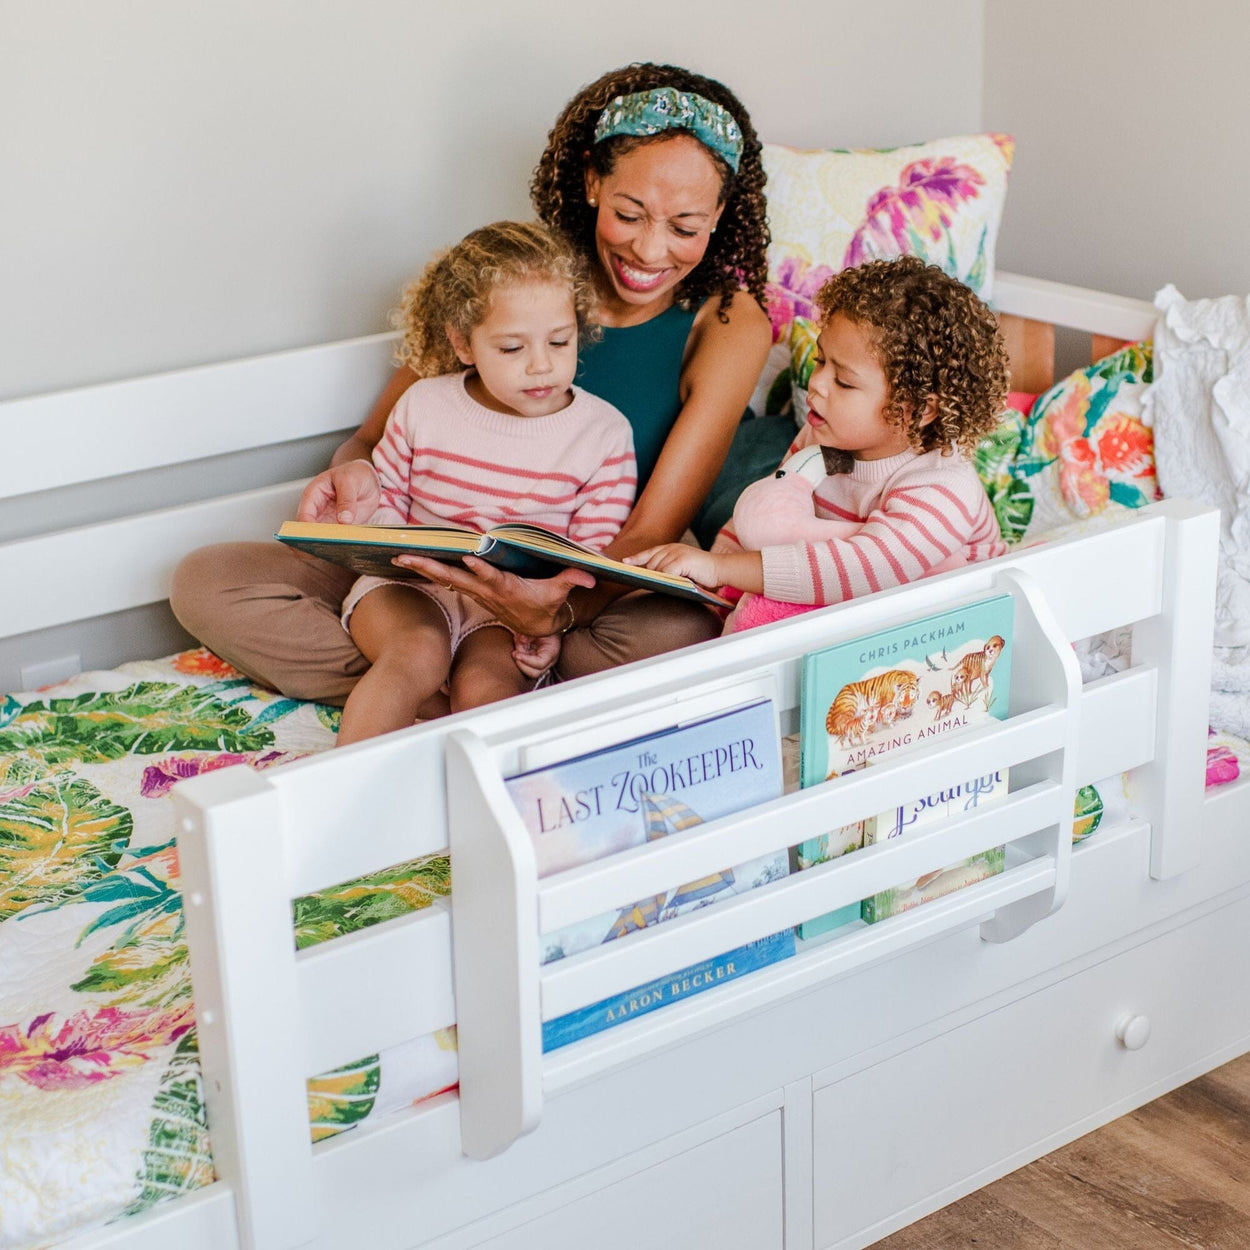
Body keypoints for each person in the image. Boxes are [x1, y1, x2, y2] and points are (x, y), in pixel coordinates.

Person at [170, 64, 785, 705]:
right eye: (631, 214)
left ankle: (427, 684)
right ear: (593, 182)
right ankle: (439, 694)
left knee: (688, 627)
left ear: (721, 213)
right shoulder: (516, 275)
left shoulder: (727, 322)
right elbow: (371, 441)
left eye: (685, 227)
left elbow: (650, 531)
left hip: (571, 594)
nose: (651, 251)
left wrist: (553, 612)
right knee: (207, 579)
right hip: (421, 577)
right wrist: (352, 477)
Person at [334, 222, 635, 744]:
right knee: (415, 654)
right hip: (408, 586)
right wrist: (364, 518)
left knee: (488, 684)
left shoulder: (604, 433)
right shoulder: (425, 404)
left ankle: (494, 811)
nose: (542, 365)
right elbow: (385, 504)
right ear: (463, 343)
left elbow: (587, 559)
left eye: (559, 341)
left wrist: (549, 626)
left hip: (507, 610)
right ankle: (340, 799)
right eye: (512, 348)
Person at [627, 258, 1010, 628]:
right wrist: (711, 573)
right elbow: (763, 514)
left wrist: (722, 569)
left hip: (940, 630)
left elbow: (861, 569)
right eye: (820, 361)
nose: (817, 384)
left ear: (917, 410)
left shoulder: (942, 485)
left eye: (843, 381)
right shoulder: (822, 436)